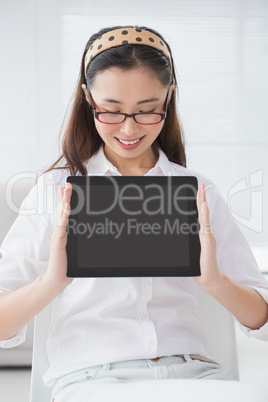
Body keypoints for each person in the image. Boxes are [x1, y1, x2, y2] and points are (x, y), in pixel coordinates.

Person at [0, 25, 268, 402]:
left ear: (169, 98)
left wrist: (216, 283)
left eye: (147, 111)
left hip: (196, 375)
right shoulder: (53, 191)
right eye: (110, 111)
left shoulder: (197, 190)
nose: (128, 128)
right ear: (87, 98)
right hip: (92, 379)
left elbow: (263, 320)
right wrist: (50, 284)